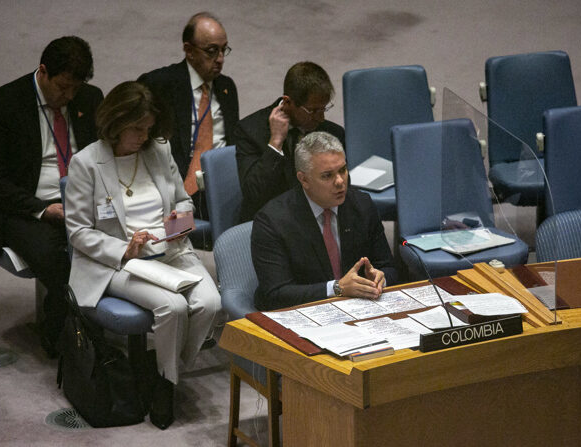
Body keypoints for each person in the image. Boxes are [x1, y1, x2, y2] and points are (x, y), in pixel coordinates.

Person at [65, 81, 221, 429]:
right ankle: (166, 385)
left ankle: (166, 369)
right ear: (115, 122)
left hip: (170, 252)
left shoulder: (159, 150)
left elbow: (183, 200)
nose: (142, 135)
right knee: (174, 306)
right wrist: (125, 248)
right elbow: (77, 232)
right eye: (136, 127)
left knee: (211, 304)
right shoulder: (86, 163)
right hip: (120, 263)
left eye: (148, 128)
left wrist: (176, 225)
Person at [0, 36, 103, 357]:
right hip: (23, 208)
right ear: (43, 71)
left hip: (82, 199)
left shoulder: (88, 98)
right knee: (55, 257)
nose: (68, 97)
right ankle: (59, 325)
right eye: (62, 87)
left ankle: (96, 319)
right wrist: (44, 210)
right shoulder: (2, 105)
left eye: (75, 88)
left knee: (120, 239)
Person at [251, 131, 397, 311]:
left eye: (342, 170)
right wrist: (337, 289)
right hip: (301, 314)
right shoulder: (272, 221)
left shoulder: (362, 205)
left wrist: (379, 277)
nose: (339, 182)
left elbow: (388, 267)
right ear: (303, 179)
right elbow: (276, 294)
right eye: (327, 176)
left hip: (359, 308)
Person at [138, 12, 239, 219]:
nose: (220, 59)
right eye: (212, 51)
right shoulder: (159, 84)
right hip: (177, 184)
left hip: (220, 182)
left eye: (223, 50)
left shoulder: (227, 87)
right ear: (189, 50)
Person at [235, 61, 345, 222]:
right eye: (313, 111)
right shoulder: (250, 130)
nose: (321, 118)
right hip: (272, 223)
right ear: (287, 102)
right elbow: (254, 194)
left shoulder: (333, 132)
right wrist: (275, 143)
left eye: (324, 109)